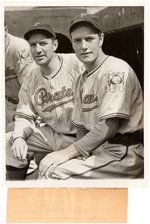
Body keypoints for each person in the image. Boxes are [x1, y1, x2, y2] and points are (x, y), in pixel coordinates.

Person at [36, 14, 144, 180]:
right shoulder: (81, 79)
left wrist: (67, 153)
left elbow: (109, 126)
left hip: (123, 152)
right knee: (44, 163)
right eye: (77, 41)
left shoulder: (115, 71)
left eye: (89, 39)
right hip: (100, 149)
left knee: (52, 173)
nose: (83, 46)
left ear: (100, 39)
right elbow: (80, 127)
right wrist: (80, 154)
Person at [6, 23, 83, 180]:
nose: (38, 49)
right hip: (53, 134)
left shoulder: (76, 64)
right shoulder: (31, 77)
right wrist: (19, 137)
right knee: (6, 143)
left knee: (48, 172)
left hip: (82, 136)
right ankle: (15, 191)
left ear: (54, 44)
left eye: (43, 43)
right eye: (33, 45)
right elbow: (24, 115)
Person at [5, 23, 35, 132]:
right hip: (7, 102)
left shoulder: (20, 48)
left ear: (5, 29)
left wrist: (21, 117)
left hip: (23, 104)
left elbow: (29, 88)